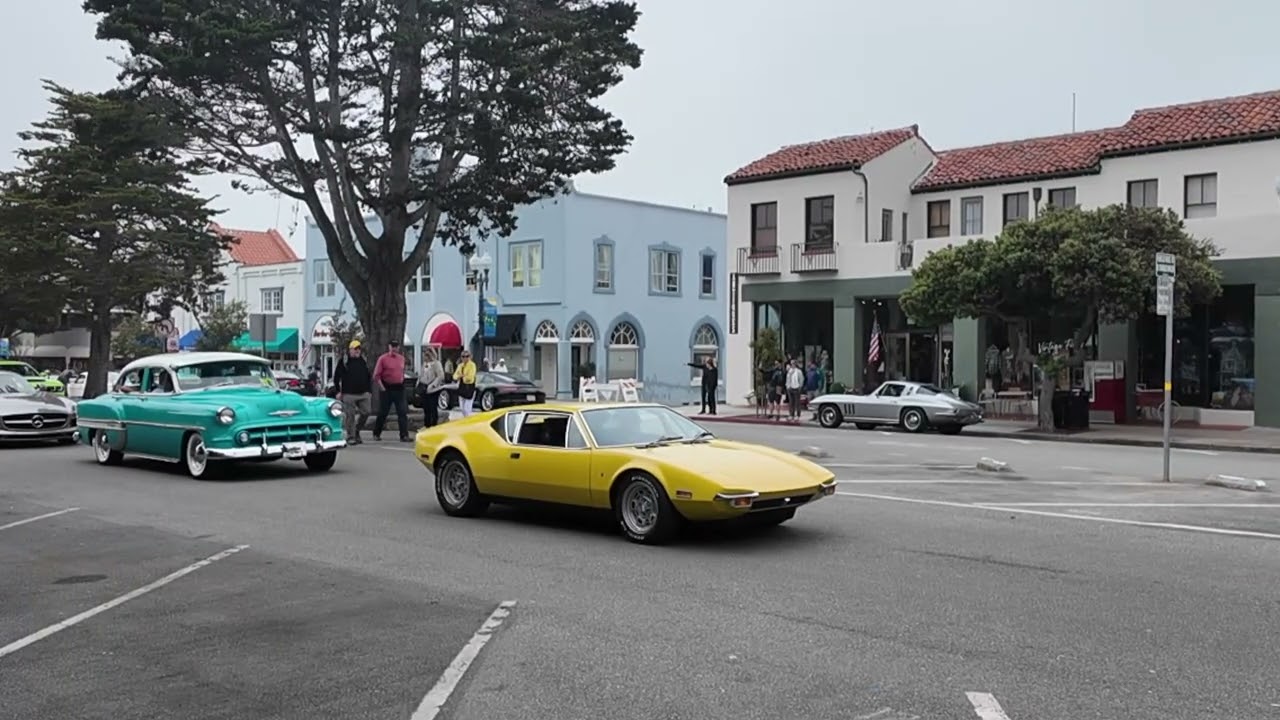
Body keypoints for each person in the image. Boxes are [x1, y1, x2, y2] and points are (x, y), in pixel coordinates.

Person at [333, 340, 372, 444]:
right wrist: (337, 391)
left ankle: (357, 430)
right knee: (350, 415)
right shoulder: (344, 361)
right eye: (355, 349)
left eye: (359, 349)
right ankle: (351, 436)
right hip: (348, 393)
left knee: (367, 412)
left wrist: (369, 390)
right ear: (350, 350)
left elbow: (368, 376)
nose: (357, 351)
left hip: (363, 393)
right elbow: (336, 377)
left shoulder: (363, 360)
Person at [371, 340, 410, 442]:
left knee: (402, 412)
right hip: (387, 387)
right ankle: (376, 433)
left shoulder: (401, 359)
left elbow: (402, 371)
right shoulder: (383, 359)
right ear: (389, 347)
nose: (394, 348)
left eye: (396, 346)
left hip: (399, 388)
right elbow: (376, 375)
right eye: (392, 346)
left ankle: (404, 435)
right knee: (383, 412)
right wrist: (381, 387)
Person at [416, 348, 446, 428]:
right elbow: (421, 375)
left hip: (433, 388)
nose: (425, 357)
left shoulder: (436, 364)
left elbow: (440, 376)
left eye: (427, 355)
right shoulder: (425, 364)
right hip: (424, 387)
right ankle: (427, 425)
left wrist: (433, 385)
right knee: (426, 408)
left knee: (433, 407)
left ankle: (433, 425)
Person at [453, 349, 478, 416]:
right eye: (463, 356)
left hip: (469, 388)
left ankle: (468, 421)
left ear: (470, 357)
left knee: (467, 409)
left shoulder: (472, 365)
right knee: (462, 408)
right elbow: (455, 376)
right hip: (462, 387)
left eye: (467, 356)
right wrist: (459, 376)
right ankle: (465, 419)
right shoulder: (460, 365)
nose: (465, 358)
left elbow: (470, 378)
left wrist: (462, 376)